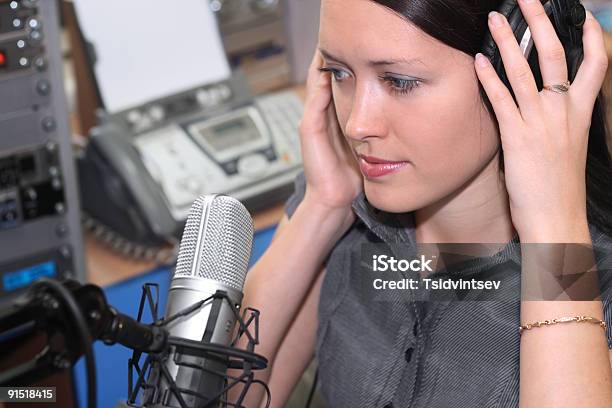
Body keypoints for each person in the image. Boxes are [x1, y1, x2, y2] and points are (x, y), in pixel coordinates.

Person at [235, 0, 612, 407]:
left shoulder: (596, 286)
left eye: (399, 82)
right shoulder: (345, 215)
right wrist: (321, 207)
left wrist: (554, 234)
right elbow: (229, 398)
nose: (356, 125)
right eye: (339, 73)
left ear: (516, 67)